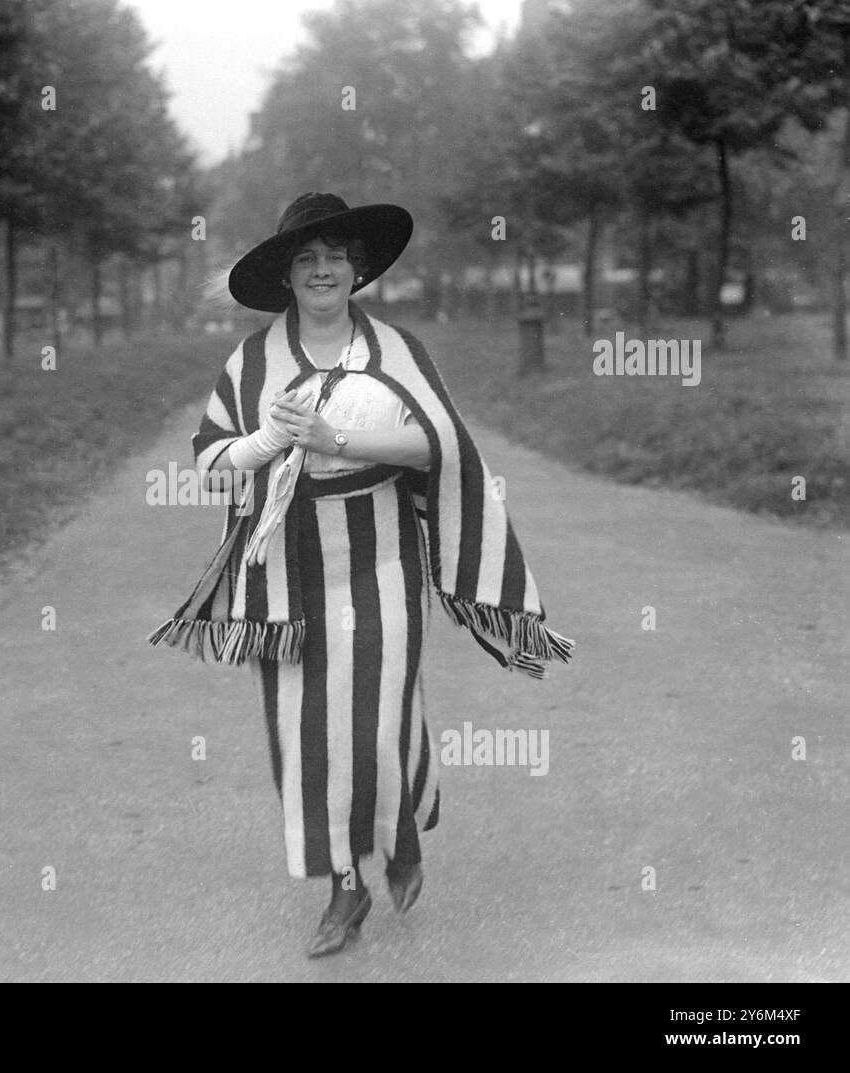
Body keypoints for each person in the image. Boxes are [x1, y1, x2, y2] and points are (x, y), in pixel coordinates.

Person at [148, 192, 574, 959]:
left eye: (334, 258)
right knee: (305, 727)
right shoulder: (252, 362)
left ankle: (400, 835)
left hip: (381, 554)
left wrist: (338, 433)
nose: (321, 271)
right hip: (284, 567)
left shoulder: (398, 349)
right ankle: (344, 883)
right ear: (286, 275)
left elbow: (438, 448)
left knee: (380, 714)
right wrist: (264, 440)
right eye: (305, 260)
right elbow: (209, 463)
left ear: (359, 269)